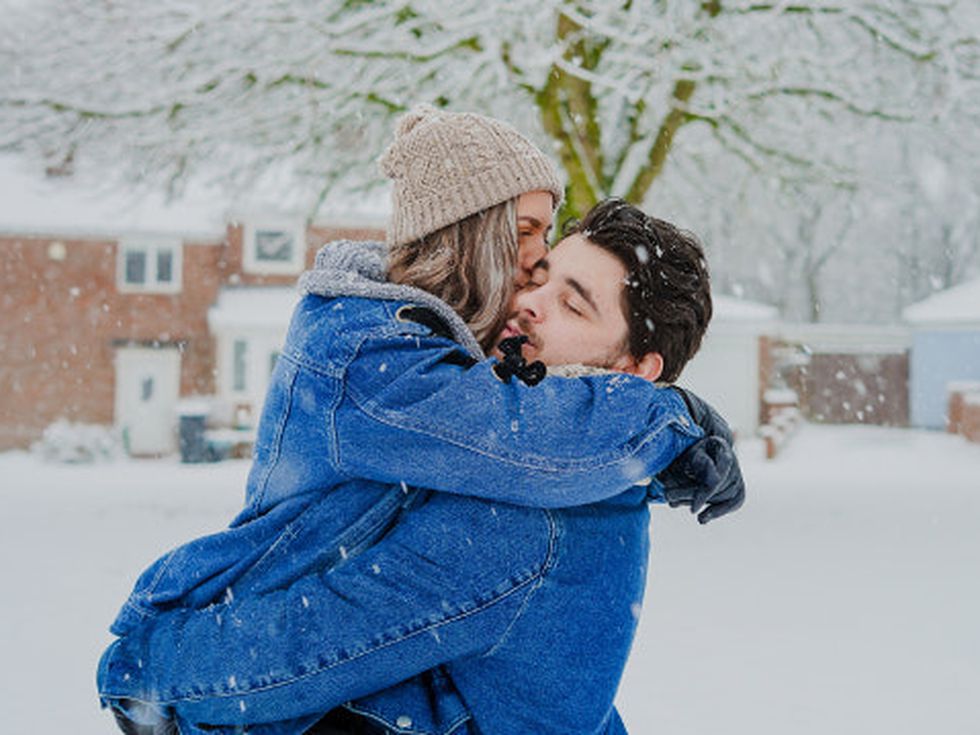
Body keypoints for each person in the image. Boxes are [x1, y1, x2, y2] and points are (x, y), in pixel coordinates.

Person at [98, 108, 742, 734]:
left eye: (571, 305)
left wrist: (153, 672)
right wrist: (674, 422)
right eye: (532, 255)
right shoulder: (394, 367)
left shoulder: (532, 508)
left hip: (233, 640)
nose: (528, 297)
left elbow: (324, 636)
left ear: (636, 371)